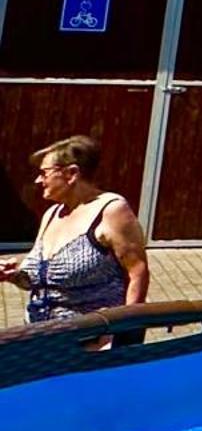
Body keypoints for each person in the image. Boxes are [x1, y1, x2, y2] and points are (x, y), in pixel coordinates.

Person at [2, 136, 149, 336]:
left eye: (44, 173)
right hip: (41, 337)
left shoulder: (111, 210)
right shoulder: (52, 214)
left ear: (71, 174)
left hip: (90, 340)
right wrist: (13, 276)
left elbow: (138, 272)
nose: (38, 180)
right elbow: (39, 280)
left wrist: (123, 330)